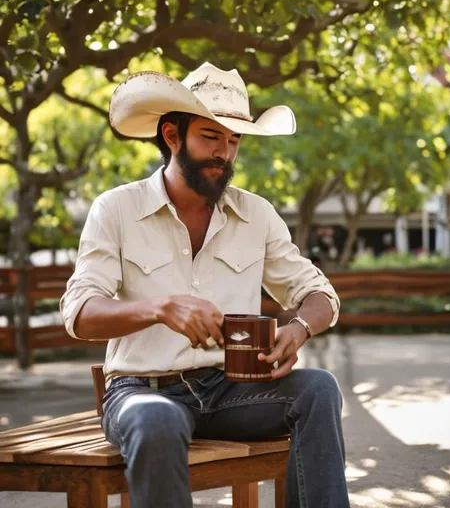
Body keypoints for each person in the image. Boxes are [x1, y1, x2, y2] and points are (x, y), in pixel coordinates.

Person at [60, 62, 350, 508]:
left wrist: (300, 329)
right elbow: (79, 314)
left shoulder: (257, 214)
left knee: (318, 389)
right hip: (142, 391)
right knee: (156, 422)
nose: (224, 153)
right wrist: (161, 308)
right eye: (211, 137)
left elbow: (319, 295)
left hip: (230, 390)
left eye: (234, 141)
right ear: (172, 136)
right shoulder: (115, 209)